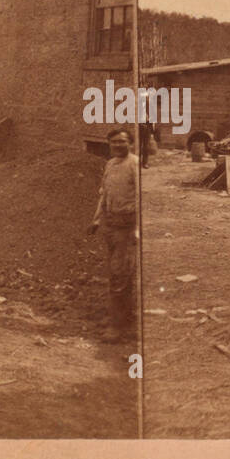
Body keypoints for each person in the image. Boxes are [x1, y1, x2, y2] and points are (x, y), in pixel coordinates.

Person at [89, 128, 139, 342]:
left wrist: (137, 228)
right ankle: (124, 317)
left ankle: (118, 328)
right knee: (116, 272)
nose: (117, 146)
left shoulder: (134, 164)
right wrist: (97, 219)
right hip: (111, 224)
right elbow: (105, 194)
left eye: (122, 142)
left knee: (120, 274)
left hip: (127, 225)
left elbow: (141, 197)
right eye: (113, 143)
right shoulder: (110, 164)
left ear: (131, 143)